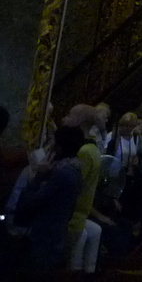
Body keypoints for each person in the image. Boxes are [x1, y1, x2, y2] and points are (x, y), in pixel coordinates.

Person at [19, 124, 85, 273]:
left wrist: (37, 178)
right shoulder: (76, 170)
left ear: (59, 148)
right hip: (57, 234)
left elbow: (33, 202)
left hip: (44, 237)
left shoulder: (60, 173)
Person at [65, 105, 107, 273]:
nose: (65, 118)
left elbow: (74, 185)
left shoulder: (83, 151)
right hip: (82, 211)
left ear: (79, 121)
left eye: (69, 115)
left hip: (74, 214)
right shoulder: (92, 148)